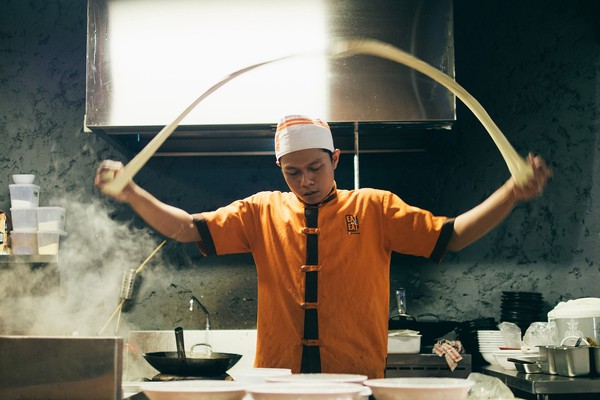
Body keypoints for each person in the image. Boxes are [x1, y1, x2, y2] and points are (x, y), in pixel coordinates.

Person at [95, 115, 552, 378]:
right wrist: (133, 194)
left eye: (315, 167)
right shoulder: (260, 211)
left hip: (356, 380)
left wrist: (511, 193)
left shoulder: (374, 207)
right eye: (292, 172)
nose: (306, 181)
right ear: (280, 169)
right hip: (279, 383)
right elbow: (187, 229)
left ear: (336, 159)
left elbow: (452, 236)